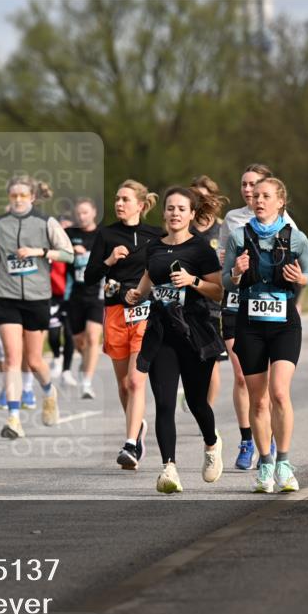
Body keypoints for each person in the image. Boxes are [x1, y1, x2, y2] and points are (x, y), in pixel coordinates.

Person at [126, 186, 225, 493]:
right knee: (165, 403)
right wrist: (137, 293)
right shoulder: (154, 246)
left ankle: (212, 444)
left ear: (192, 214)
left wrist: (193, 281)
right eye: (170, 208)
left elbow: (218, 291)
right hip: (162, 332)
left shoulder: (200, 250)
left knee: (196, 402)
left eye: (181, 209)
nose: (175, 213)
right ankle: (169, 468)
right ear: (163, 212)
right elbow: (150, 276)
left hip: (195, 332)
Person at [222, 177, 308, 493]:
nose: (258, 200)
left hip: (285, 322)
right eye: (255, 196)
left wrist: (300, 277)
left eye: (266, 196)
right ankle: (265, 463)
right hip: (250, 324)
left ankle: (284, 463)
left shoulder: (296, 238)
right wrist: (236, 272)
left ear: (280, 202)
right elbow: (227, 283)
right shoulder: (238, 237)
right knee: (258, 401)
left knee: (279, 393)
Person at [0, 175, 73, 439]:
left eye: (23, 195)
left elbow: (68, 253)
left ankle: (49, 391)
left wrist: (40, 252)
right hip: (5, 296)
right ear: (9, 197)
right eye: (13, 195)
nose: (18, 199)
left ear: (32, 197)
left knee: (33, 360)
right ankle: (13, 418)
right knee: (11, 358)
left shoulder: (46, 223)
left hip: (36, 297)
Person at [217, 164, 296, 470]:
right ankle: (248, 439)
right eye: (244, 185)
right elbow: (222, 259)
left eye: (255, 186)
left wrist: (292, 297)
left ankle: (272, 436)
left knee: (273, 389)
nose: (249, 191)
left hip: (271, 305)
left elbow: (296, 259)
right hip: (238, 300)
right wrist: (229, 264)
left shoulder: (285, 221)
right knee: (241, 376)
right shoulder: (232, 219)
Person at [84, 180, 162, 470]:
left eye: (125, 199)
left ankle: (130, 444)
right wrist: (108, 259)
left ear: (140, 206)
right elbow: (89, 277)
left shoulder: (155, 236)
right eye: (117, 199)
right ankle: (137, 425)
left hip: (144, 312)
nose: (119, 204)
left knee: (134, 380)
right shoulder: (106, 235)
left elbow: (167, 268)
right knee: (122, 385)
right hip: (115, 313)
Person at [188, 175, 229, 414]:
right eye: (194, 197)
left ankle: (207, 412)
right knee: (190, 362)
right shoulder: (185, 227)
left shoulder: (223, 229)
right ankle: (193, 393)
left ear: (213, 199)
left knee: (211, 362)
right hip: (186, 303)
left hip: (213, 304)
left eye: (203, 196)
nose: (199, 201)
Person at [65, 198, 104, 399]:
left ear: (94, 212)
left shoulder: (102, 235)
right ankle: (86, 359)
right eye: (79, 213)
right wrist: (70, 251)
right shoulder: (70, 235)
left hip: (97, 294)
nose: (82, 217)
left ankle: (87, 383)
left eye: (85, 213)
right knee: (79, 341)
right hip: (74, 295)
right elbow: (56, 251)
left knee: (92, 337)